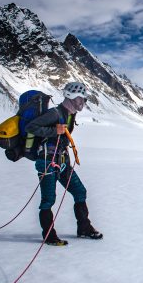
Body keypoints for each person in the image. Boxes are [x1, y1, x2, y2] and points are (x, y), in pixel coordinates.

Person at [26, 82, 103, 246]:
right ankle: (49, 236)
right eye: (80, 98)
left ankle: (84, 228)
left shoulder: (70, 115)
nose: (83, 102)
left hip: (61, 162)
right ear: (71, 97)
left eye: (83, 99)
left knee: (80, 191)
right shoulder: (55, 113)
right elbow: (30, 127)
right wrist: (55, 131)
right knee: (48, 199)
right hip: (46, 161)